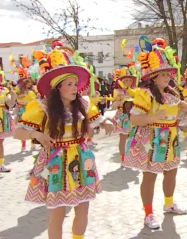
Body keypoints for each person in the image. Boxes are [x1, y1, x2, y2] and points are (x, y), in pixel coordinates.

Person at [13, 47, 114, 239]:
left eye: (76, 84)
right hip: (56, 162)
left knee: (83, 207)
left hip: (82, 160)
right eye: (70, 84)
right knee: (58, 213)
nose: (75, 88)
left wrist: (107, 122)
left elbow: (98, 119)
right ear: (58, 88)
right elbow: (18, 132)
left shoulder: (83, 104)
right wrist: (38, 134)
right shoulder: (42, 107)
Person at [123, 39, 187, 229]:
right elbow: (134, 120)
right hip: (150, 140)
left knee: (171, 173)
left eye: (168, 73)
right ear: (153, 77)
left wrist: (182, 107)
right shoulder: (145, 94)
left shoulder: (173, 93)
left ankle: (169, 204)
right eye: (163, 74)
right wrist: (156, 116)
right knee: (150, 177)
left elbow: (173, 115)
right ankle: (149, 213)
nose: (167, 76)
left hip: (170, 138)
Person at [108, 68, 136, 164]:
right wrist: (119, 101)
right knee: (123, 138)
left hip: (133, 116)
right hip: (122, 117)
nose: (128, 82)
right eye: (126, 80)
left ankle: (132, 155)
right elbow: (113, 107)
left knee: (134, 137)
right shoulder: (118, 92)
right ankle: (123, 157)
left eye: (130, 80)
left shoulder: (135, 91)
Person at [14, 68, 37, 151]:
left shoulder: (33, 91)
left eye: (30, 82)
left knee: (32, 127)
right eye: (27, 82)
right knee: (22, 128)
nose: (29, 84)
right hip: (22, 111)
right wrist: (18, 98)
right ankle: (23, 146)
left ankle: (33, 144)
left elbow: (36, 100)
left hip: (30, 111)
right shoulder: (19, 91)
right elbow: (14, 97)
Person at [0, 69, 17, 172]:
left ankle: (1, 164)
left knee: (0, 143)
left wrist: (13, 95)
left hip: (2, 119)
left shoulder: (3, 90)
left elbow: (10, 104)